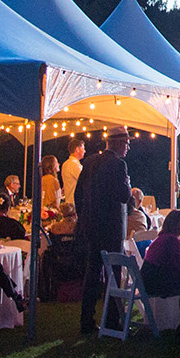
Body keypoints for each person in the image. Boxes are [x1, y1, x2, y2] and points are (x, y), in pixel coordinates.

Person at [77, 128, 134, 334]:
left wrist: (84, 217)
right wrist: (127, 185)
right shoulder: (119, 165)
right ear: (118, 143)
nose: (128, 147)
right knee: (114, 274)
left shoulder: (90, 162)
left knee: (92, 273)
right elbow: (123, 196)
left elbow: (78, 194)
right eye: (126, 143)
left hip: (91, 226)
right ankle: (111, 320)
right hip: (111, 228)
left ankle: (86, 319)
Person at [139, 209, 180, 330]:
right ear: (176, 223)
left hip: (147, 278)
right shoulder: (172, 240)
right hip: (152, 282)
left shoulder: (163, 238)